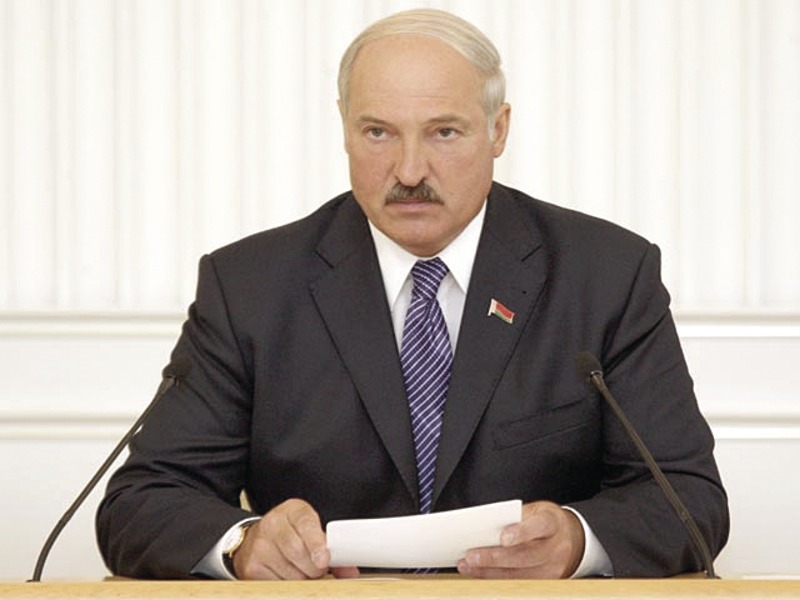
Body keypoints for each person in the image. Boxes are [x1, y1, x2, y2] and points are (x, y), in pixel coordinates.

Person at [96, 8, 729, 580]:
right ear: (344, 129)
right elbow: (141, 502)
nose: (409, 171)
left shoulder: (607, 275)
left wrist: (576, 540)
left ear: (498, 130)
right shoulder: (251, 287)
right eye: (378, 133)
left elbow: (687, 497)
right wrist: (243, 544)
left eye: (444, 132)